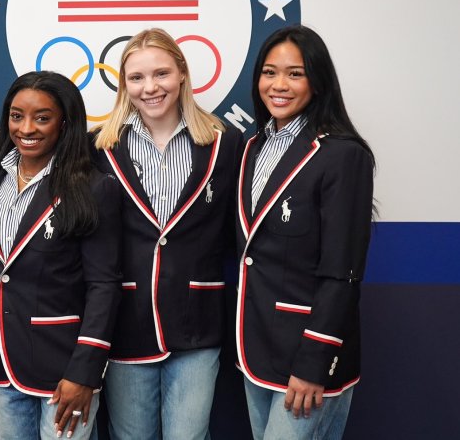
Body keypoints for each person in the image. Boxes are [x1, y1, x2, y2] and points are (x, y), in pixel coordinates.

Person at [91, 27, 243, 440]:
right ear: (123, 84)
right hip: (125, 321)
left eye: (160, 74)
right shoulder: (98, 149)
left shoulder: (225, 144)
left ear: (181, 74)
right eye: (136, 78)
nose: (150, 87)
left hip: (197, 320)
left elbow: (236, 232)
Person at [235, 25, 375, 440]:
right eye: (269, 72)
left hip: (306, 354)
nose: (279, 85)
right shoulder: (252, 147)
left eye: (295, 73)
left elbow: (342, 271)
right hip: (255, 347)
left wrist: (315, 361)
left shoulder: (343, 155)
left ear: (318, 80)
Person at [0, 71, 122, 439]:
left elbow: (104, 286)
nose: (27, 128)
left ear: (65, 123)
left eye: (42, 117)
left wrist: (84, 372)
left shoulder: (93, 188)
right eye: (16, 115)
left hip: (64, 371)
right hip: (3, 364)